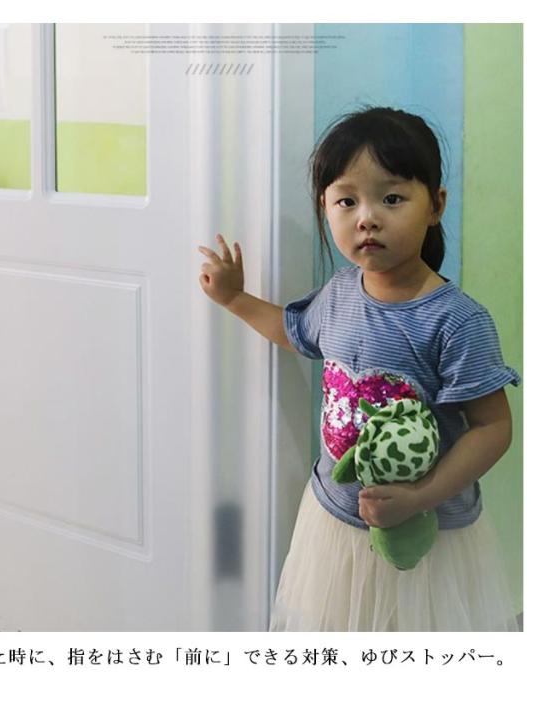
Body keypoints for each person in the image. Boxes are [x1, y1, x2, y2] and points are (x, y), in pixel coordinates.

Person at [197, 106, 521, 632]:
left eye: (391, 198)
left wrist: (419, 496)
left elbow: (493, 428)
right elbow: (296, 333)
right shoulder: (341, 292)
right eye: (347, 201)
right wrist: (235, 299)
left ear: (436, 205)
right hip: (335, 519)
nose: (366, 217)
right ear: (325, 208)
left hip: (425, 530)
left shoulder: (457, 321)